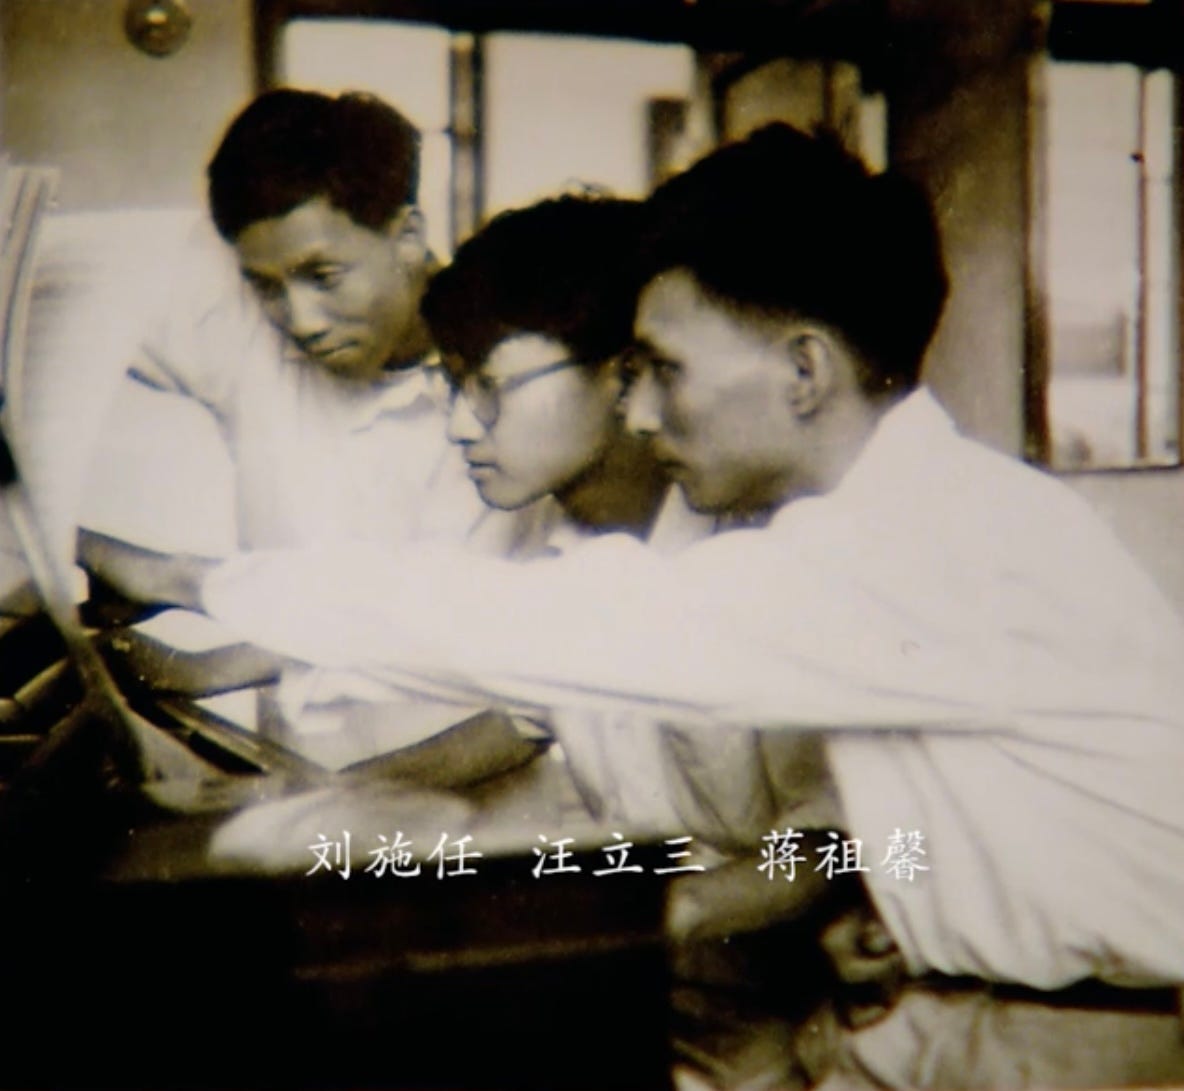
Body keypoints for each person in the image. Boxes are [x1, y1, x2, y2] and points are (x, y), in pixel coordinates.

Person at [201, 123, 1184, 1088]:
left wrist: (209, 586)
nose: (637, 413)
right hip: (933, 1016)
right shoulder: (872, 524)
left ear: (803, 371)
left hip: (1060, 1040)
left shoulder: (938, 541)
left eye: (664, 371)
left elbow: (591, 629)